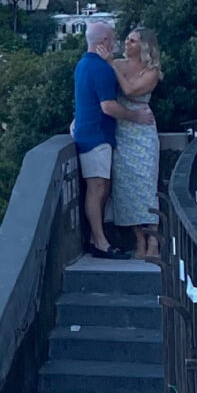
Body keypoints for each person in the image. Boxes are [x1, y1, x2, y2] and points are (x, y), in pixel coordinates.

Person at [72, 18, 130, 255]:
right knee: (97, 187)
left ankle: (99, 239)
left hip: (90, 134)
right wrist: (135, 117)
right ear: (105, 41)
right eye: (113, 38)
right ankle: (99, 242)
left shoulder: (83, 65)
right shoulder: (101, 69)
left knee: (101, 186)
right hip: (96, 136)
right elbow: (108, 106)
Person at [107, 25, 164, 260]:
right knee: (126, 187)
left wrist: (112, 65)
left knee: (146, 185)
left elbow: (130, 89)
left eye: (133, 41)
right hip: (123, 130)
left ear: (144, 46)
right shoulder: (118, 64)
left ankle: (153, 241)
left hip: (142, 131)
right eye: (127, 39)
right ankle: (139, 240)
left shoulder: (151, 70)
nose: (127, 43)